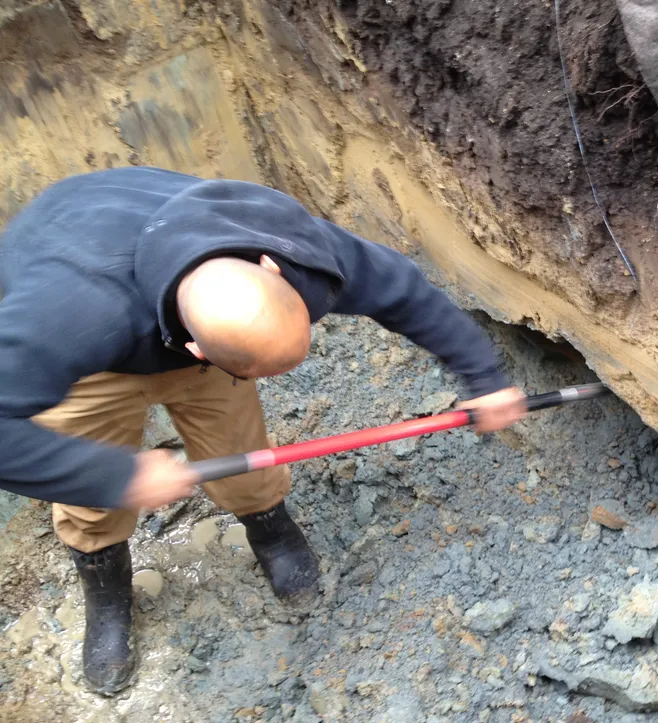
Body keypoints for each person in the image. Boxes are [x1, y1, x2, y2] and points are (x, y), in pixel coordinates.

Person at [0, 166, 526, 696]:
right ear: (197, 350)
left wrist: (483, 376)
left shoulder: (288, 243)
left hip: (182, 316)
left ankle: (269, 528)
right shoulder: (62, 320)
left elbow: (402, 288)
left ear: (269, 266)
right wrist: (113, 477)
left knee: (241, 452)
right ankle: (106, 591)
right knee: (90, 500)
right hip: (91, 362)